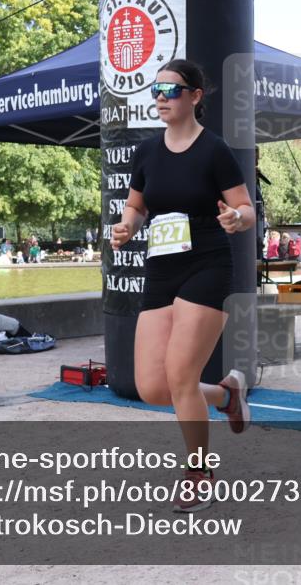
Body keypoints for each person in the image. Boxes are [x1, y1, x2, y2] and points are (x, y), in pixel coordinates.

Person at [110, 58, 253, 513]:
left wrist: (236, 218)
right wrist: (127, 226)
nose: (160, 98)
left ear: (195, 96)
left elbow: (246, 208)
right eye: (156, 90)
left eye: (171, 91)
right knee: (153, 387)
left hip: (207, 265)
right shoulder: (146, 153)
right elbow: (136, 207)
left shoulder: (214, 151)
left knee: (179, 374)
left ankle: (199, 473)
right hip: (161, 269)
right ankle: (227, 394)